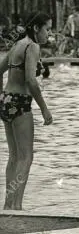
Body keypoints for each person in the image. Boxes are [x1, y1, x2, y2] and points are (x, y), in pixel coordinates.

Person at [0, 12, 53, 210]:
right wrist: (45, 109)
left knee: (14, 156)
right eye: (47, 28)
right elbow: (31, 80)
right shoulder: (33, 46)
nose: (49, 33)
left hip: (6, 101)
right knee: (26, 157)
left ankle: (8, 206)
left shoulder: (17, 45)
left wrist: (1, 96)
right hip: (21, 102)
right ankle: (17, 206)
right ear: (36, 28)